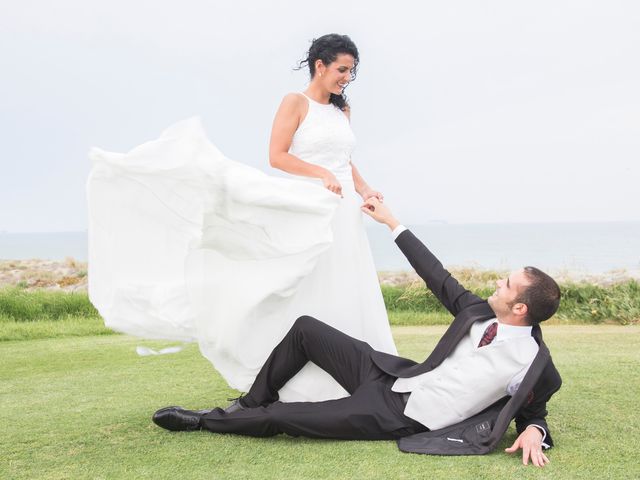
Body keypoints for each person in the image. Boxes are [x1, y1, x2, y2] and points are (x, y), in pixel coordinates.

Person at [86, 33, 394, 403]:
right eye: (342, 69)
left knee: (346, 281)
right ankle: (296, 377)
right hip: (313, 206)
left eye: (351, 72)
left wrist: (365, 189)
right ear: (320, 65)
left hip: (346, 212)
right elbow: (277, 156)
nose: (346, 77)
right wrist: (320, 173)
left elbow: (345, 160)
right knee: (308, 287)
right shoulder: (295, 103)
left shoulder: (341, 111)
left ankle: (356, 374)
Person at [152, 198, 562, 467]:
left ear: (520, 308)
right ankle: (249, 401)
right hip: (390, 376)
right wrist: (392, 223)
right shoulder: (476, 311)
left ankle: (205, 421)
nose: (497, 285)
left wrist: (534, 430)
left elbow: (533, 411)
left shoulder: (531, 363)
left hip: (397, 417)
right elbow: (436, 274)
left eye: (506, 285)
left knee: (284, 418)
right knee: (307, 330)